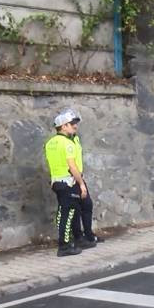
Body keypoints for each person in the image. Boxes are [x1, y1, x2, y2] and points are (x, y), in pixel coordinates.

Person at [44, 109, 102, 256]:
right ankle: (65, 246)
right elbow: (72, 166)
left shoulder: (51, 142)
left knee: (65, 213)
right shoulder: (66, 143)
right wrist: (81, 183)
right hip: (69, 181)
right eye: (71, 124)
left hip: (58, 181)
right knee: (68, 214)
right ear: (63, 126)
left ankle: (73, 240)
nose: (74, 126)